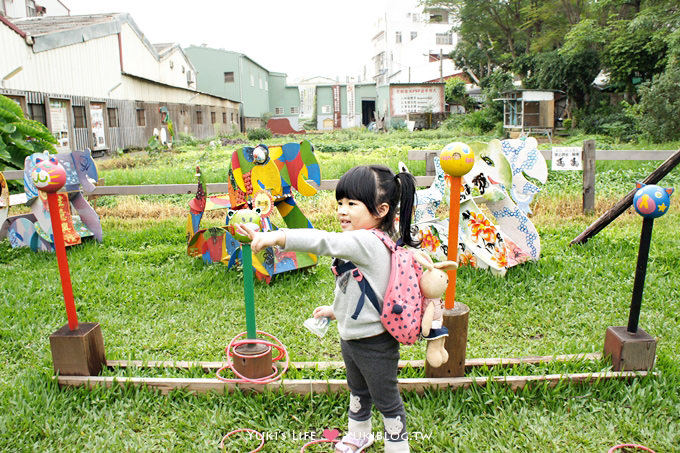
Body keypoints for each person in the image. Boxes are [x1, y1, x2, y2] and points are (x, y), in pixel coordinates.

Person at [235, 164, 420, 453]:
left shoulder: (365, 241)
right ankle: (359, 435)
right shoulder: (368, 240)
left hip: (375, 343)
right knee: (358, 390)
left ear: (381, 210)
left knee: (387, 399)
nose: (342, 210)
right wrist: (335, 310)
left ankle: (398, 445)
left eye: (352, 204)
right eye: (340, 203)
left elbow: (324, 241)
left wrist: (276, 236)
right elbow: (362, 287)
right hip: (353, 338)